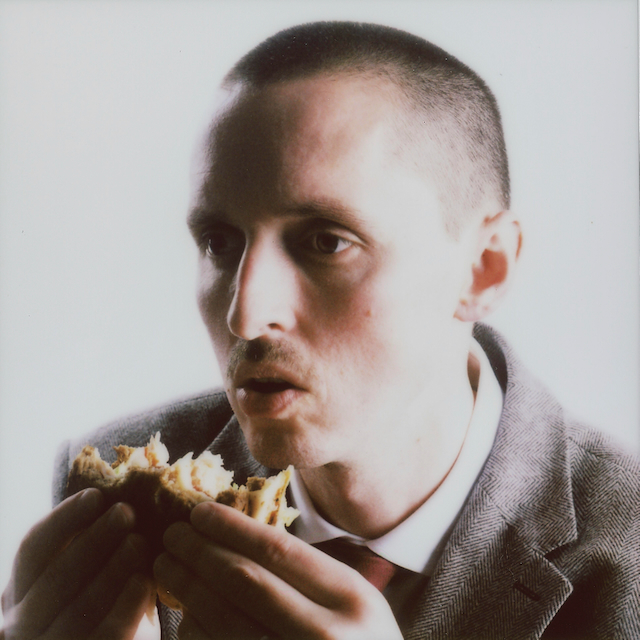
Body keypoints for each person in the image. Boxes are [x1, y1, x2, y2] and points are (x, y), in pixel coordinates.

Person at [2, 21, 638, 640]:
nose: (246, 316)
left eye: (326, 242)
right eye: (219, 243)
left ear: (484, 267)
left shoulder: (627, 559)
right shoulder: (111, 504)